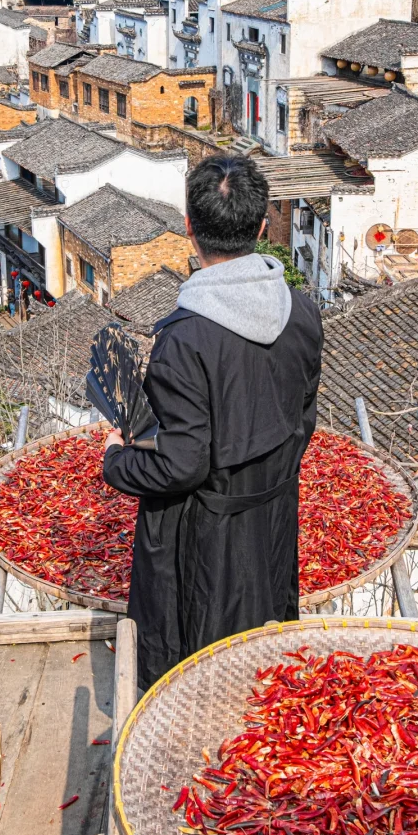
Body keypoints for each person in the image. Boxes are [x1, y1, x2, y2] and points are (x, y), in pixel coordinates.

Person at [101, 154, 324, 690]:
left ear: (189, 229)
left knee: (193, 672)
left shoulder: (183, 338)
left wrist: (116, 459)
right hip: (272, 520)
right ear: (263, 226)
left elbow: (182, 463)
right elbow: (303, 420)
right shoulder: (302, 311)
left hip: (204, 540)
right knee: (260, 662)